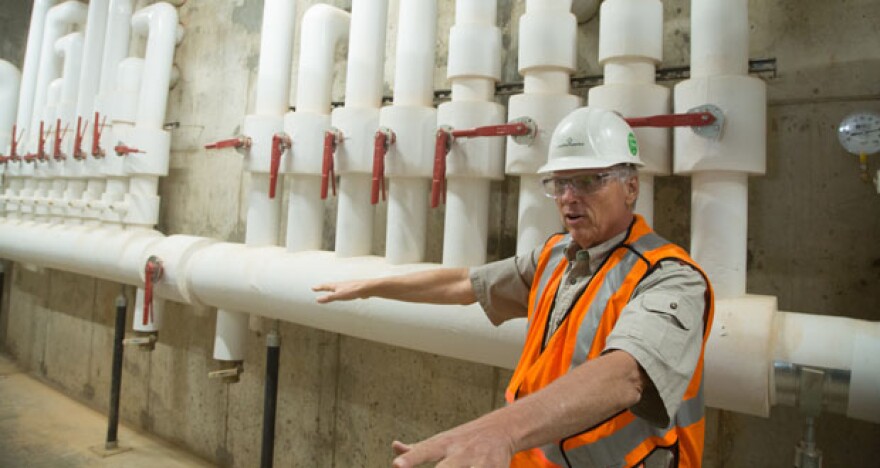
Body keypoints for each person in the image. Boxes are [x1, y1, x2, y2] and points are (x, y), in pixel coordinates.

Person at [313, 106, 714, 468]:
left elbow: (626, 374)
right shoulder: (557, 257)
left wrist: (501, 431)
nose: (569, 198)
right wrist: (374, 285)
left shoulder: (670, 277)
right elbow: (465, 283)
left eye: (589, 180)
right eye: (560, 183)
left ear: (631, 186)